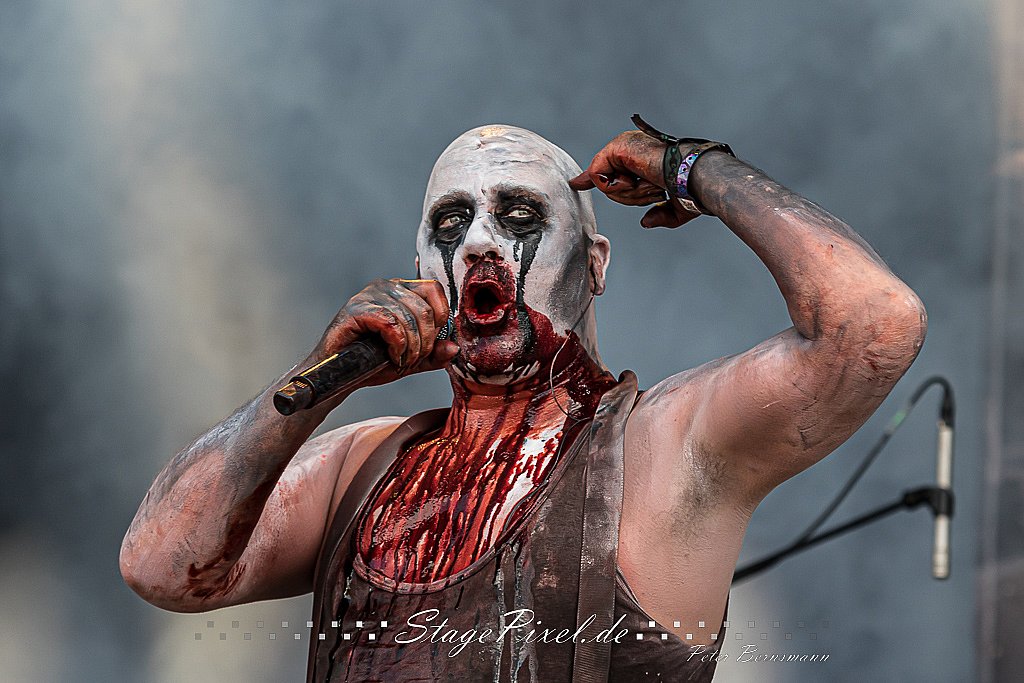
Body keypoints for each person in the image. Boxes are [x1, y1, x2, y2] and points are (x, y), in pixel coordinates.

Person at [120, 121, 927, 682]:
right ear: (423, 270)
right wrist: (319, 378)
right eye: (451, 221)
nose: (478, 240)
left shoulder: (662, 447)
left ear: (595, 263)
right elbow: (158, 564)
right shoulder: (362, 466)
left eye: (517, 214)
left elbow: (875, 325)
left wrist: (693, 169)